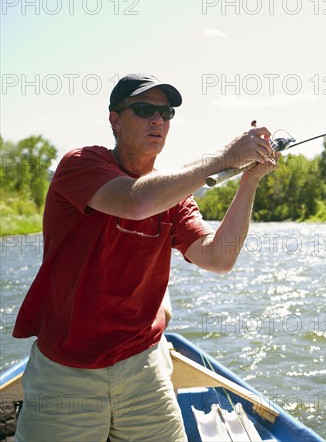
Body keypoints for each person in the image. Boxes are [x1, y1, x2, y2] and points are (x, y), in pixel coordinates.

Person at [12, 73, 279, 441]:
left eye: (166, 113)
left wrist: (249, 180)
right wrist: (224, 159)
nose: (158, 120)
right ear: (115, 120)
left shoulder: (176, 196)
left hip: (144, 368)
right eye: (144, 110)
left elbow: (218, 258)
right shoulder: (81, 165)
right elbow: (135, 201)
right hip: (66, 373)